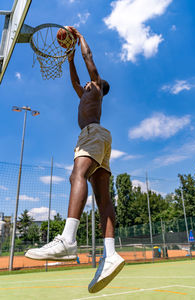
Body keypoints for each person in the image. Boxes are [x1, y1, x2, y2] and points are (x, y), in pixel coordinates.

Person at [25, 27, 125, 293]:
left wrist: (80, 38)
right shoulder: (85, 93)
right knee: (103, 197)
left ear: (99, 87)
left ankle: (68, 239)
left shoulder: (96, 88)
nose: (86, 84)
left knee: (76, 176)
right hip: (100, 137)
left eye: (91, 83)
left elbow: (89, 59)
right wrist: (69, 60)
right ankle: (110, 253)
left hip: (91, 134)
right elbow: (74, 82)